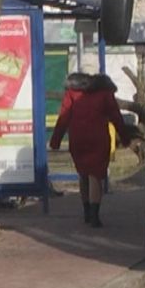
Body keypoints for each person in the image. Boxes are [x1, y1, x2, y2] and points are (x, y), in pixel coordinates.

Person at [49, 72, 132, 227]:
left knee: (83, 175)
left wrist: (55, 141)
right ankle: (94, 216)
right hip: (98, 139)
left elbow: (64, 117)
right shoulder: (105, 92)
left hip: (78, 139)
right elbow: (116, 116)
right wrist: (125, 138)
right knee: (95, 176)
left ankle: (86, 211)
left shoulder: (72, 92)